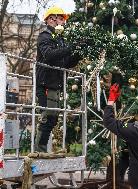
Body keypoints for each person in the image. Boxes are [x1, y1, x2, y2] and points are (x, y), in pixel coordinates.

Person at [35, 6, 80, 152]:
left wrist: (78, 52)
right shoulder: (45, 36)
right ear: (49, 19)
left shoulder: (61, 40)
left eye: (62, 19)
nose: (60, 22)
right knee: (47, 117)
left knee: (53, 119)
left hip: (55, 84)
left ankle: (41, 149)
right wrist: (70, 48)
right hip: (45, 83)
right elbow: (49, 55)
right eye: (57, 18)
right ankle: (39, 150)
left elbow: (66, 62)